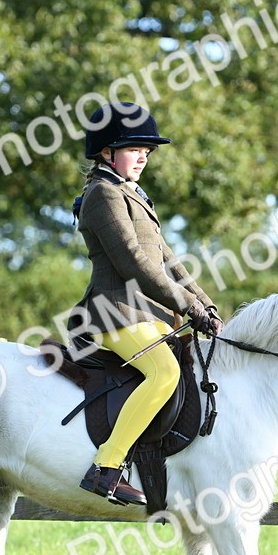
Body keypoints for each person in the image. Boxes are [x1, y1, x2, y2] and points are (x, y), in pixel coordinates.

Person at [69, 102, 223, 506]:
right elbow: (134, 264)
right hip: (114, 313)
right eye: (135, 148)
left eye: (147, 151)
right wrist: (190, 307)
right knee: (163, 372)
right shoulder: (102, 195)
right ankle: (107, 468)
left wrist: (206, 305)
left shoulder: (133, 195)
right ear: (106, 151)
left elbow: (169, 261)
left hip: (150, 316)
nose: (143, 156)